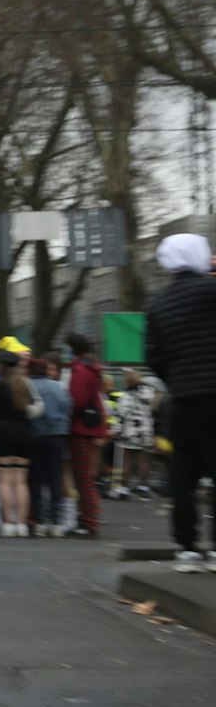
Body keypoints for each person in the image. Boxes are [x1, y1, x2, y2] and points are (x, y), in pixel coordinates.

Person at [142, 233, 216, 570]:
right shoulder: (211, 291)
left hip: (182, 398)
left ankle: (187, 547)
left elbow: (153, 355)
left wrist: (175, 378)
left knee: (183, 473)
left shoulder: (160, 303)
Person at [0, 349, 41, 536]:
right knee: (21, 481)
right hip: (24, 432)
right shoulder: (25, 384)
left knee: (4, 480)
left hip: (3, 432)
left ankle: (8, 522)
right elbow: (33, 407)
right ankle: (22, 524)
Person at [65, 335, 108, 538]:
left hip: (81, 428)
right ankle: (87, 518)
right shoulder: (91, 368)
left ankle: (88, 521)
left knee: (83, 477)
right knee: (85, 476)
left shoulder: (80, 370)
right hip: (91, 427)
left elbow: (77, 400)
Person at [26, 355, 71, 536]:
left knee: (35, 479)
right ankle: (57, 521)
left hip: (34, 434)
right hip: (56, 435)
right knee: (55, 478)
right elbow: (68, 408)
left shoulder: (27, 386)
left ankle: (40, 521)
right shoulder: (58, 387)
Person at [112, 368, 161, 499]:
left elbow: (121, 414)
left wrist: (116, 429)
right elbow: (153, 408)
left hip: (130, 431)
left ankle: (124, 489)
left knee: (127, 461)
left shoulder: (126, 395)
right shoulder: (148, 391)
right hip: (145, 430)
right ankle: (143, 487)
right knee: (144, 461)